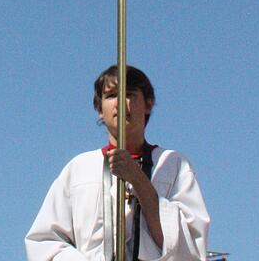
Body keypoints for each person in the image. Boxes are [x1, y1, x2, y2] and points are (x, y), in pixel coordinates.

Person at [25, 65, 210, 260]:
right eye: (111, 96)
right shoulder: (79, 169)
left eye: (129, 94)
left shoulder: (173, 165)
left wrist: (138, 181)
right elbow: (45, 242)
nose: (120, 103)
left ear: (148, 104)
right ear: (99, 109)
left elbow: (188, 245)